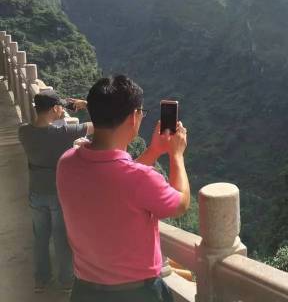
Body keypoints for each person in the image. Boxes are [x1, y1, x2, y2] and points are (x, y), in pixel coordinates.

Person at [57, 75, 190, 302]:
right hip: (136, 293)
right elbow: (180, 203)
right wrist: (176, 154)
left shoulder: (66, 163)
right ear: (134, 117)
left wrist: (153, 151)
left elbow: (118, 180)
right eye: (141, 112)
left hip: (84, 291)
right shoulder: (141, 179)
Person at [18, 89, 94, 293]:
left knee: (40, 238)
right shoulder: (64, 133)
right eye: (60, 106)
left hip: (36, 192)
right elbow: (99, 125)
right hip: (59, 193)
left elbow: (42, 131)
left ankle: (41, 280)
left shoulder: (23, 131)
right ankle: (66, 281)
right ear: (54, 108)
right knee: (61, 238)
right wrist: (87, 104)